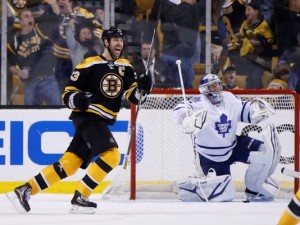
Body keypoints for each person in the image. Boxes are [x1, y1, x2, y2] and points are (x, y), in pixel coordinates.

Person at [5, 26, 152, 214]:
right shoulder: (89, 64)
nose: (119, 43)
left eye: (121, 40)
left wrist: (144, 88)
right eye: (115, 39)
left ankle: (25, 189)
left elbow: (134, 98)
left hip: (101, 121)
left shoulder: (126, 67)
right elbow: (68, 94)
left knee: (70, 164)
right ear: (105, 42)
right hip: (88, 116)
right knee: (112, 155)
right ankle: (81, 197)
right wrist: (79, 99)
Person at [173, 73, 281, 202]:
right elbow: (180, 109)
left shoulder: (229, 98)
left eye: (218, 84)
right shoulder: (199, 102)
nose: (217, 88)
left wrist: (257, 112)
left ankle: (254, 189)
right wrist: (186, 117)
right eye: (212, 86)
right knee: (225, 193)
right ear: (204, 90)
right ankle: (193, 189)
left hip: (234, 146)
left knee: (264, 151)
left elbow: (246, 110)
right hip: (210, 157)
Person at [7, 8, 61, 106]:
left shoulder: (41, 29)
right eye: (26, 16)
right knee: (29, 113)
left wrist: (52, 4)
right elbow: (9, 63)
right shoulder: (14, 40)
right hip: (31, 82)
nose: (30, 18)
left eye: (31, 16)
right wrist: (18, 72)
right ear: (20, 21)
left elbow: (57, 15)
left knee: (57, 110)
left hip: (48, 79)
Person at [227, 1, 274, 89]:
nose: (246, 12)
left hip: (261, 59)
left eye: (249, 9)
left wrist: (258, 42)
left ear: (256, 12)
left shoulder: (263, 25)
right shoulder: (245, 23)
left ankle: (257, 96)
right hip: (249, 57)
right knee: (249, 77)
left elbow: (270, 40)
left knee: (254, 77)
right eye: (245, 10)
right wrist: (232, 36)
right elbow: (241, 34)